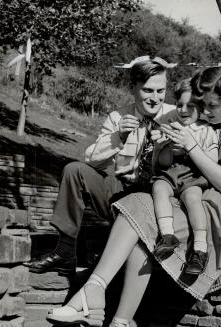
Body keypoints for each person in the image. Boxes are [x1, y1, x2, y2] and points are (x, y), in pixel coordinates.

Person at [45, 66, 221, 327]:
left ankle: (115, 326)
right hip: (195, 195)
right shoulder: (211, 123)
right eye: (203, 105)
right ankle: (101, 301)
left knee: (142, 218)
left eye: (212, 105)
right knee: (139, 205)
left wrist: (191, 145)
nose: (205, 111)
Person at [24, 57, 175, 276]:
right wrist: (118, 137)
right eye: (148, 91)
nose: (155, 98)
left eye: (160, 91)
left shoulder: (176, 115)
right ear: (133, 88)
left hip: (160, 199)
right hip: (121, 192)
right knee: (74, 170)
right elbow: (92, 161)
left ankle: (108, 254)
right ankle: (65, 249)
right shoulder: (117, 117)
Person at [152, 78, 218, 275]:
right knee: (159, 187)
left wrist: (190, 149)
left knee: (192, 198)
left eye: (190, 105)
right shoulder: (170, 125)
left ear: (200, 106)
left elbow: (211, 163)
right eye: (179, 105)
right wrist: (164, 147)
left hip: (194, 175)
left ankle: (200, 248)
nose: (183, 110)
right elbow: (162, 165)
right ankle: (167, 235)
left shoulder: (206, 131)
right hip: (172, 172)